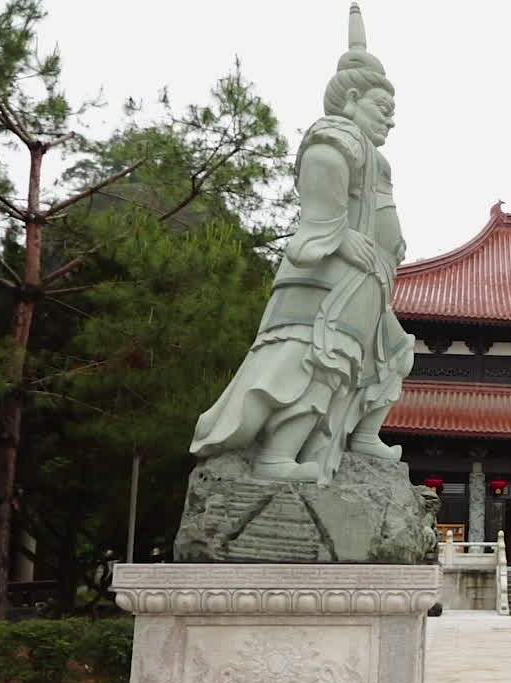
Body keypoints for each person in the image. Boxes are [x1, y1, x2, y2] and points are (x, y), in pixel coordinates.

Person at [190, 4, 414, 483]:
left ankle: (360, 436)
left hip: (369, 281)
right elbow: (320, 193)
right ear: (352, 98)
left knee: (390, 353)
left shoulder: (376, 159)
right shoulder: (335, 139)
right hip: (328, 278)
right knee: (318, 363)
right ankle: (276, 457)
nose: (390, 121)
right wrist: (336, 234)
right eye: (383, 109)